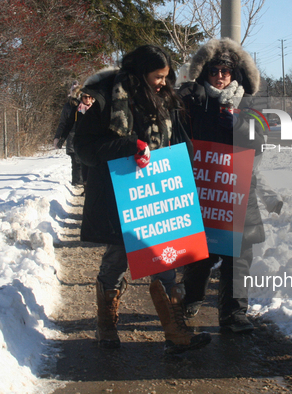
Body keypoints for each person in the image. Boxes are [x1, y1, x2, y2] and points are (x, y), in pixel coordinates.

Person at [73, 45, 211, 353]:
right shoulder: (103, 96)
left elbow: (179, 141)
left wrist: (181, 162)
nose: (163, 82)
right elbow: (82, 146)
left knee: (166, 259)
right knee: (117, 259)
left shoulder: (166, 99)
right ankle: (106, 326)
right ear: (140, 73)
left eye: (165, 76)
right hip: (118, 193)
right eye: (157, 76)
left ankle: (176, 333)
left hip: (158, 194)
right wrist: (127, 147)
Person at [178, 37, 266, 333]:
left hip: (237, 186)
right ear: (205, 72)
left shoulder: (248, 101)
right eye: (214, 70)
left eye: (225, 71)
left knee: (238, 252)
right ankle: (192, 296)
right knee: (200, 251)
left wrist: (239, 124)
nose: (219, 76)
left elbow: (261, 135)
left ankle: (234, 314)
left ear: (235, 74)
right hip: (201, 184)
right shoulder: (192, 99)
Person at [54, 81, 86, 187]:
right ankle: (77, 182)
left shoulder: (85, 104)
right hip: (72, 137)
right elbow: (63, 123)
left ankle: (84, 183)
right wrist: (58, 137)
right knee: (76, 161)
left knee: (84, 161)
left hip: (84, 137)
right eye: (74, 92)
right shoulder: (68, 106)